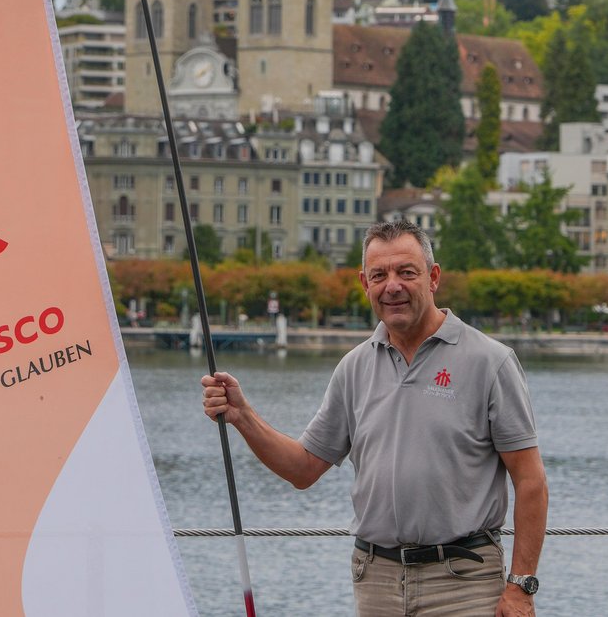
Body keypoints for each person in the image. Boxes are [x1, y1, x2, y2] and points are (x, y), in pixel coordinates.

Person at [202, 219, 548, 616]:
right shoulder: (353, 368)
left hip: (464, 583)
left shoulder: (491, 362)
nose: (392, 286)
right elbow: (303, 469)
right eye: (378, 275)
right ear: (364, 284)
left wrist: (521, 586)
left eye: (406, 272)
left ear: (433, 278)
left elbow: (531, 480)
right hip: (376, 582)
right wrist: (243, 415)